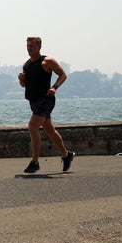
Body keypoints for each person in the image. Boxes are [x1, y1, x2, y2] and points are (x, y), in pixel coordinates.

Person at [17, 36, 75, 173]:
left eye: (31, 45)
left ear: (39, 46)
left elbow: (63, 75)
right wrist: (21, 80)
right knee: (49, 130)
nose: (29, 48)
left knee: (32, 127)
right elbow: (25, 85)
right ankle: (67, 155)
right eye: (27, 46)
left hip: (46, 100)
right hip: (33, 101)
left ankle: (35, 161)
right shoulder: (26, 64)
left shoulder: (47, 61)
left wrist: (55, 87)